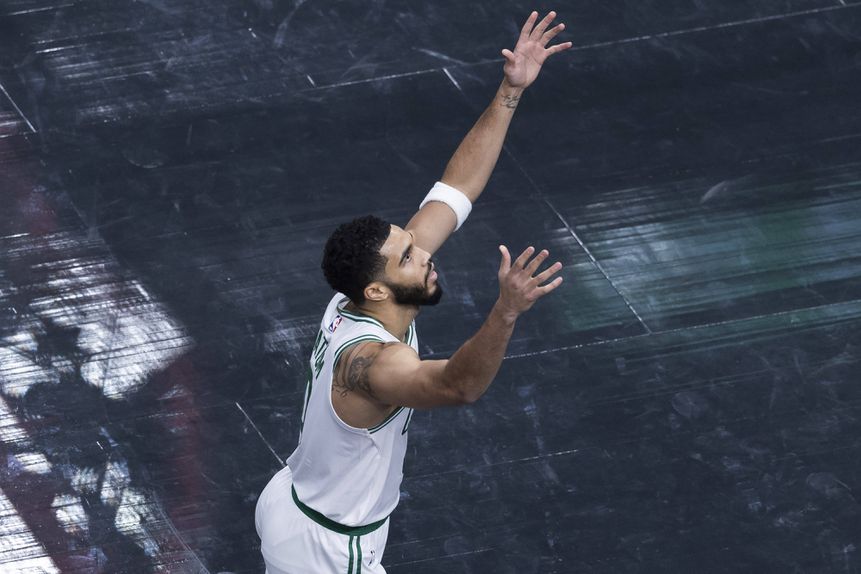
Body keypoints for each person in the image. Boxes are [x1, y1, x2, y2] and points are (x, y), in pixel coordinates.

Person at [256, 10, 572, 573]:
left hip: (291, 504)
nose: (424, 253)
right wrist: (506, 311)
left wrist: (510, 91)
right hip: (330, 553)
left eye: (412, 244)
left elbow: (454, 190)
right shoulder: (374, 363)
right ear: (377, 289)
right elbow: (457, 387)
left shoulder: (360, 295)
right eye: (408, 255)